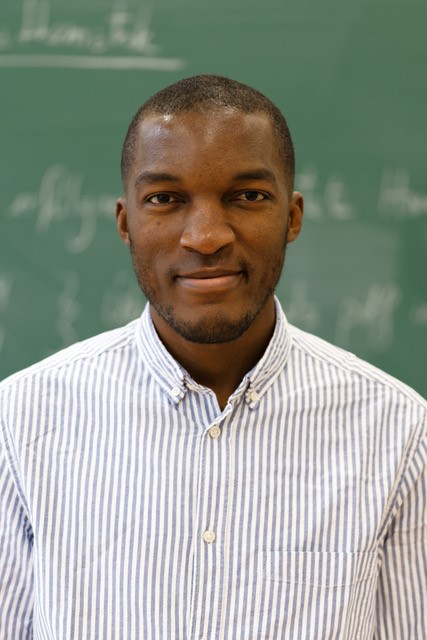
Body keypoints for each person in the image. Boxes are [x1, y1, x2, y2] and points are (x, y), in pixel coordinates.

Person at [0, 75, 426, 639]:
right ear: (125, 223)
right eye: (165, 199)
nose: (205, 237)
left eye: (247, 196)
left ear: (292, 216)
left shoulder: (398, 431)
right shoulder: (19, 422)